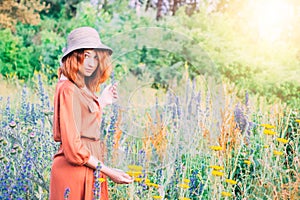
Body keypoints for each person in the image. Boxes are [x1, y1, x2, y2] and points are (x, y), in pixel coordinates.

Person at [49, 26, 133, 200]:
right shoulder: (68, 89)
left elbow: (83, 127)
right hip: (74, 173)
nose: (91, 63)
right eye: (86, 55)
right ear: (73, 56)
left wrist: (101, 101)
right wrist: (109, 171)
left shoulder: (77, 88)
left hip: (91, 168)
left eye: (95, 57)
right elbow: (73, 146)